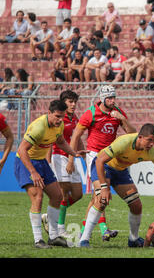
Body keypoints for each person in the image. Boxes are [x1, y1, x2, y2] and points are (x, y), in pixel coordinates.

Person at [79, 123, 154, 248]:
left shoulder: (152, 152)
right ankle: (83, 240)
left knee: (136, 205)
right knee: (102, 200)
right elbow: (100, 160)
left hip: (120, 171)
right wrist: (104, 187)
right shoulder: (124, 142)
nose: (152, 144)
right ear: (140, 137)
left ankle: (133, 239)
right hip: (103, 166)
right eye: (149, 140)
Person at [14, 100, 86, 248]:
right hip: (26, 162)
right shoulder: (39, 127)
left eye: (62, 116)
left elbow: (60, 142)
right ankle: (38, 240)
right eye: (57, 116)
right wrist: (33, 172)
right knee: (38, 197)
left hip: (41, 162)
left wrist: (74, 153)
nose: (60, 120)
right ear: (49, 113)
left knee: (57, 196)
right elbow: (22, 150)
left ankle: (53, 237)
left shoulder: (58, 125)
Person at [68, 85, 136, 243]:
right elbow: (75, 136)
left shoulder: (117, 111)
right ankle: (95, 231)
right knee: (100, 195)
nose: (112, 101)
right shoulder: (91, 113)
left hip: (111, 156)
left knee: (97, 197)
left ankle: (88, 232)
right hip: (94, 156)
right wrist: (72, 159)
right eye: (109, 98)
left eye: (114, 97)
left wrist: (122, 119)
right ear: (102, 98)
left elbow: (133, 134)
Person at [42, 91, 83, 239]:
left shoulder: (75, 118)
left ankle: (50, 215)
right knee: (64, 194)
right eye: (70, 101)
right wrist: (48, 161)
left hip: (70, 155)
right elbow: (50, 140)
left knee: (78, 194)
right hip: (59, 156)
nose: (73, 104)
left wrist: (81, 152)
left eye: (74, 102)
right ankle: (59, 228)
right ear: (63, 102)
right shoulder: (59, 118)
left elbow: (76, 138)